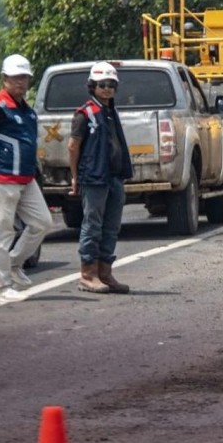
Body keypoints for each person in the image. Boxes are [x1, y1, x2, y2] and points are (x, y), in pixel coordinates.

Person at [0, 54, 53, 303]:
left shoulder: (26, 110)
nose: (21, 82)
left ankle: (14, 264)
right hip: (1, 177)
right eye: (16, 77)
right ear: (4, 79)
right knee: (1, 232)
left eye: (24, 77)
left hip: (26, 179)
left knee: (43, 222)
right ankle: (1, 288)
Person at [68, 62, 134, 294]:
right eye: (102, 84)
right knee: (92, 225)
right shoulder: (84, 113)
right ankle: (88, 274)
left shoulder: (110, 111)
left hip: (114, 177)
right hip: (94, 178)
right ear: (92, 86)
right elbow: (73, 146)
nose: (107, 89)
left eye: (111, 85)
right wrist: (75, 177)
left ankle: (105, 272)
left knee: (112, 226)